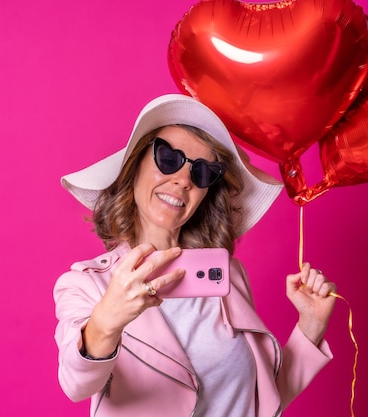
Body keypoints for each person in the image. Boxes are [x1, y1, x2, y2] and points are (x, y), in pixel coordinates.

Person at [53, 94, 337, 417]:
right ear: (134, 166)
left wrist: (311, 326)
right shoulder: (86, 286)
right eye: (169, 159)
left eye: (202, 172)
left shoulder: (226, 277)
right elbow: (76, 384)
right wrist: (105, 321)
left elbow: (258, 401)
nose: (183, 180)